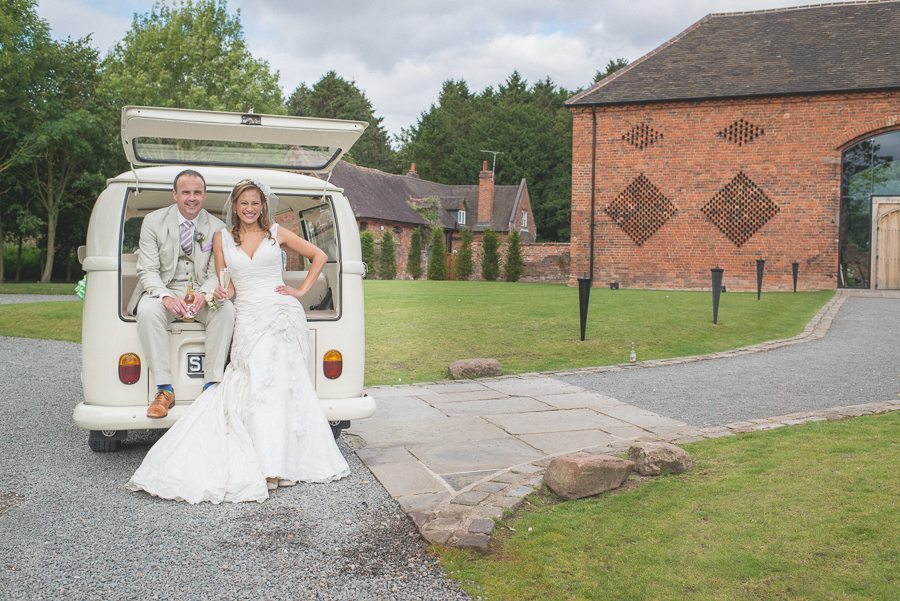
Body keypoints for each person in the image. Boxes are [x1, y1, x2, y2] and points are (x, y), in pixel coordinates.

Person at [126, 179, 350, 503]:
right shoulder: (221, 238)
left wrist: (300, 291)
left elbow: (317, 255)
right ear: (235, 205)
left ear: (262, 205)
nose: (249, 208)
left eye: (254, 203)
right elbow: (226, 284)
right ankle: (265, 458)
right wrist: (220, 293)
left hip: (281, 310)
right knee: (258, 373)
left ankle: (276, 463)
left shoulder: (276, 232)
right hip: (247, 311)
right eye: (244, 203)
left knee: (279, 376)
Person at [127, 169, 235, 418]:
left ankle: (212, 386)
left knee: (226, 310)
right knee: (147, 311)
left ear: (205, 195)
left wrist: (205, 295)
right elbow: (148, 269)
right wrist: (165, 296)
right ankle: (165, 390)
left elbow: (215, 272)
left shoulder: (217, 227)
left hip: (200, 292)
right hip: (165, 289)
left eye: (197, 192)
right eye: (185, 192)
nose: (192, 198)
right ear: (175, 194)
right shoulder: (153, 222)